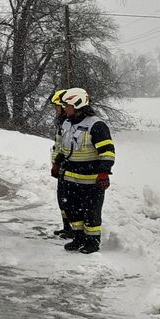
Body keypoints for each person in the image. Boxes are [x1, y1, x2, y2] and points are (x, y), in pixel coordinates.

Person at [57, 88, 115, 254]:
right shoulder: (67, 123)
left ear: (78, 104)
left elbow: (108, 151)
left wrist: (104, 173)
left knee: (91, 213)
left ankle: (92, 242)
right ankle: (78, 238)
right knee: (73, 211)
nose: (64, 108)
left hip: (91, 180)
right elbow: (65, 147)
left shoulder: (96, 125)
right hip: (70, 178)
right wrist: (57, 161)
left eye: (67, 105)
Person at [48, 89, 72, 237]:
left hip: (67, 166)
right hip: (61, 166)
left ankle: (72, 228)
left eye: (57, 107)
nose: (55, 110)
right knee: (62, 198)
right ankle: (67, 226)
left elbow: (66, 146)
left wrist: (59, 163)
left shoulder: (68, 123)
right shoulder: (62, 122)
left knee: (67, 199)